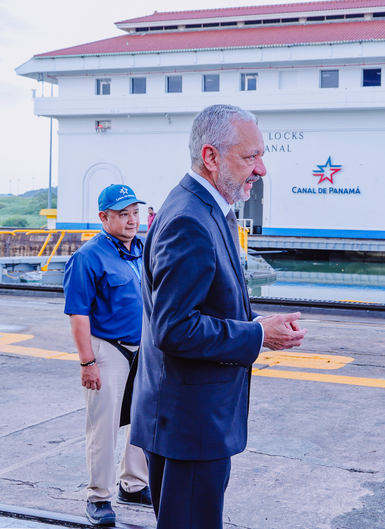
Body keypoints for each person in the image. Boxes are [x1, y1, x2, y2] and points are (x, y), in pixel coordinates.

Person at [131, 104, 308, 529]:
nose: (261, 168)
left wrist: (258, 322)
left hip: (190, 420)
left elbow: (204, 302)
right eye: (250, 157)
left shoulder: (205, 210)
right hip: (189, 425)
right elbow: (174, 328)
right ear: (211, 157)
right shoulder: (189, 221)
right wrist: (256, 335)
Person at [63, 184, 152, 526]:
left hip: (143, 348)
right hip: (107, 350)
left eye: (134, 213)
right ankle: (99, 497)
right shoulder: (88, 257)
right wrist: (87, 362)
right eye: (123, 214)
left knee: (142, 419)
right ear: (104, 217)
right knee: (104, 426)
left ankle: (133, 484)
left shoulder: (142, 251)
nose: (132, 220)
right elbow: (78, 314)